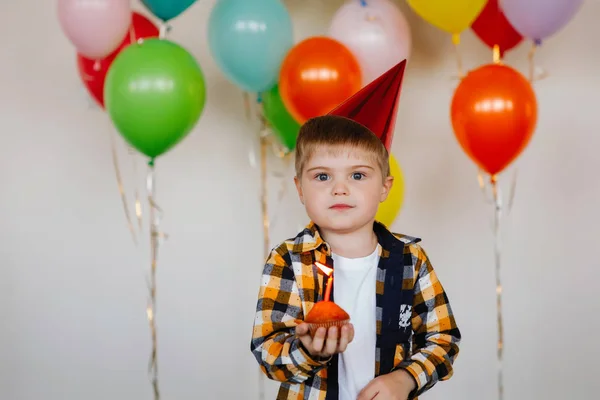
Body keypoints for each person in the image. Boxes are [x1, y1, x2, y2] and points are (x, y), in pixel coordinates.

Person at [250, 60, 461, 400]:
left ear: (384, 188)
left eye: (358, 175)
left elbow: (443, 339)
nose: (340, 188)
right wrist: (309, 353)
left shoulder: (411, 260)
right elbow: (267, 350)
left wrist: (404, 379)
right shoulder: (288, 261)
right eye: (322, 176)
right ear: (300, 188)